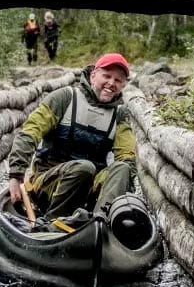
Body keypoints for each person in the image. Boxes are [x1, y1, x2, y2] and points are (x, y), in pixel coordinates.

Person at [7, 53, 136, 225]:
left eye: (118, 80)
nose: (111, 83)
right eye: (107, 76)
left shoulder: (119, 114)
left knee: (122, 168)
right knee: (84, 167)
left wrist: (127, 185)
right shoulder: (64, 98)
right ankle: (52, 224)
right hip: (48, 183)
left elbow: (126, 155)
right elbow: (30, 132)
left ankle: (100, 223)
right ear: (93, 75)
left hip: (89, 188)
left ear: (123, 85)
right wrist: (16, 175)